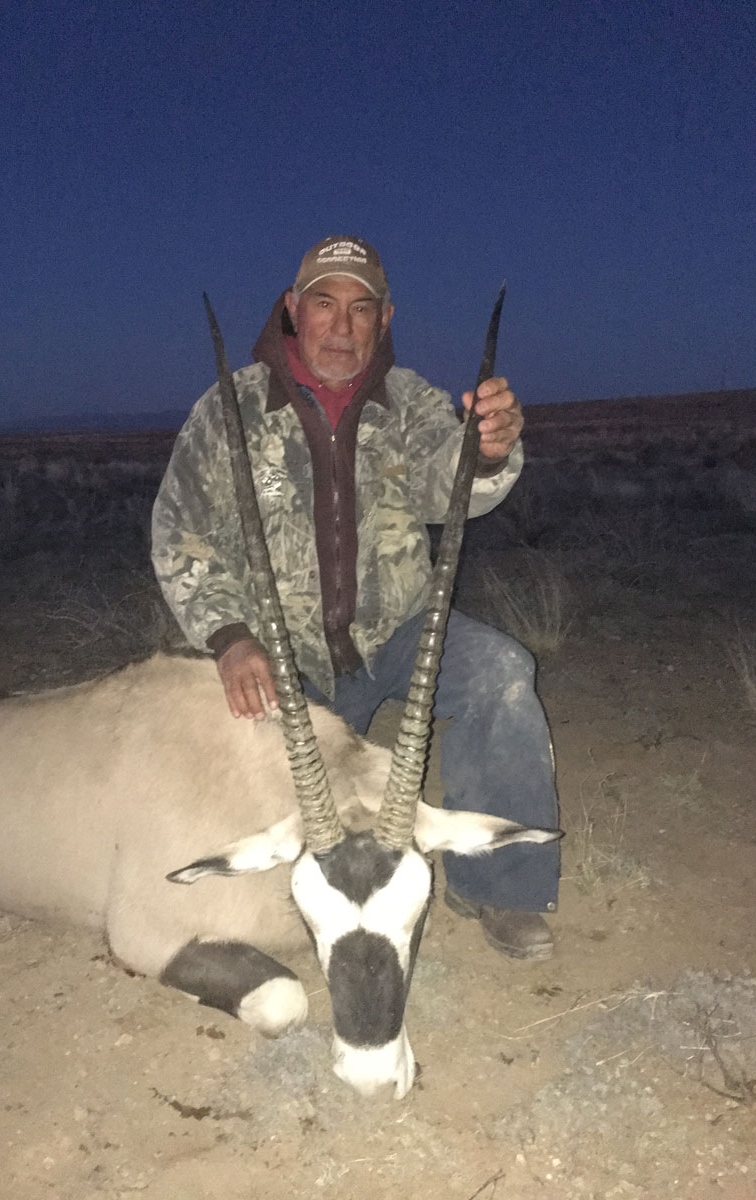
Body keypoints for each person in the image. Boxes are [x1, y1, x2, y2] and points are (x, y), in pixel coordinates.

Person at [152, 235, 559, 960]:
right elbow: (180, 532)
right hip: (286, 663)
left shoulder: (412, 403)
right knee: (231, 785)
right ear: (292, 309)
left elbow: (457, 485)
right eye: (324, 304)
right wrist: (229, 636)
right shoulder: (228, 410)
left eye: (361, 308)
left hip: (399, 636)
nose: (342, 327)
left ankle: (500, 887)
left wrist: (490, 448)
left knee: (503, 672)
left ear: (385, 318)